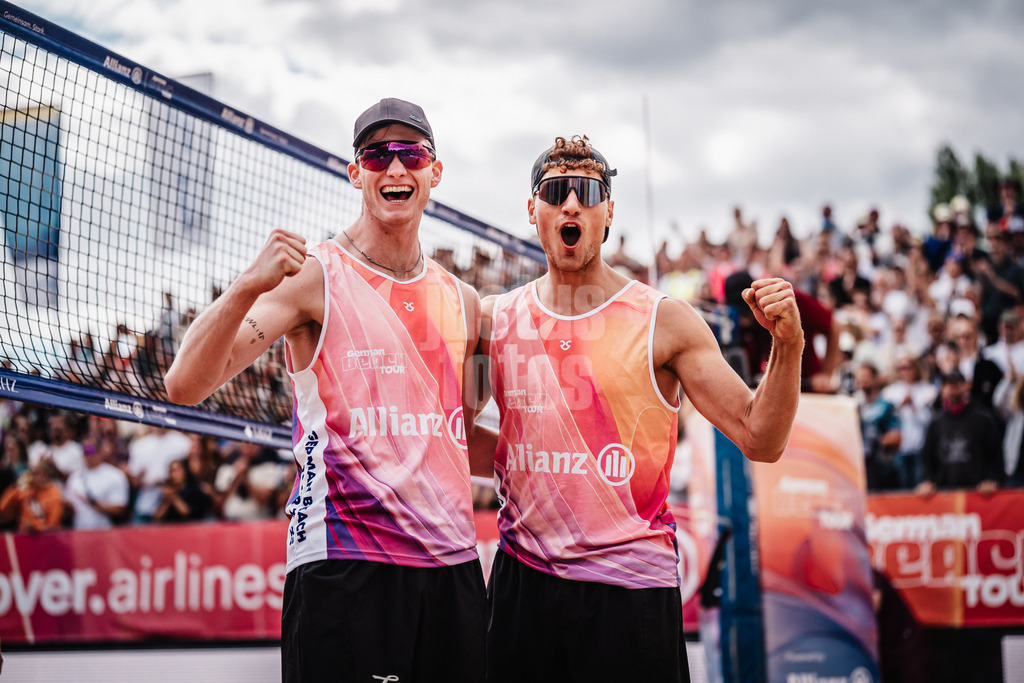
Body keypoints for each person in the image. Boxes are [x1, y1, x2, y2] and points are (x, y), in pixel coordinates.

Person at [164, 97, 486, 682]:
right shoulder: (315, 276)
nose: (395, 167)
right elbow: (184, 384)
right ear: (355, 172)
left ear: (434, 172)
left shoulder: (463, 301)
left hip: (452, 569)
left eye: (411, 154)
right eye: (377, 155)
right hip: (345, 561)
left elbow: (460, 432)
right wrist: (248, 284)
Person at [477, 135, 803, 682]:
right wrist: (530, 459)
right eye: (556, 192)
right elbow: (449, 432)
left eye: (587, 193)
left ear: (608, 212)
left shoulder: (663, 321)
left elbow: (761, 438)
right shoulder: (496, 318)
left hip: (628, 590)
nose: (571, 204)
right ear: (533, 210)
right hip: (523, 583)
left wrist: (788, 346)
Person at [915, 369, 1003, 498]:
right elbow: (927, 457)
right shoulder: (936, 422)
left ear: (966, 386)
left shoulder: (983, 419)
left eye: (956, 384)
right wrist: (927, 481)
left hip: (979, 494)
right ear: (942, 389)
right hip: (944, 495)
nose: (952, 389)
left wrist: (992, 479)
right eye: (948, 385)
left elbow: (996, 454)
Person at [64, 439, 131, 529]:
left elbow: (120, 508)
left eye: (91, 451)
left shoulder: (115, 475)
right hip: (78, 531)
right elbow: (68, 509)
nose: (88, 455)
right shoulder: (74, 478)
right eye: (85, 452)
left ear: (100, 451)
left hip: (104, 531)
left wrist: (96, 505)